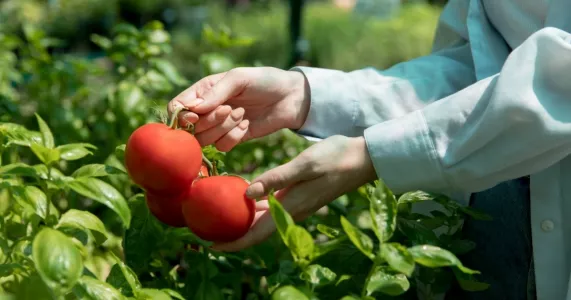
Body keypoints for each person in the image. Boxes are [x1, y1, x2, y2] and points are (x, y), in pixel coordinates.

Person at [167, 0, 571, 299]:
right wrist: (306, 96)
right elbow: (481, 64)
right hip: (500, 210)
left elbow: (560, 80)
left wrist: (373, 155)